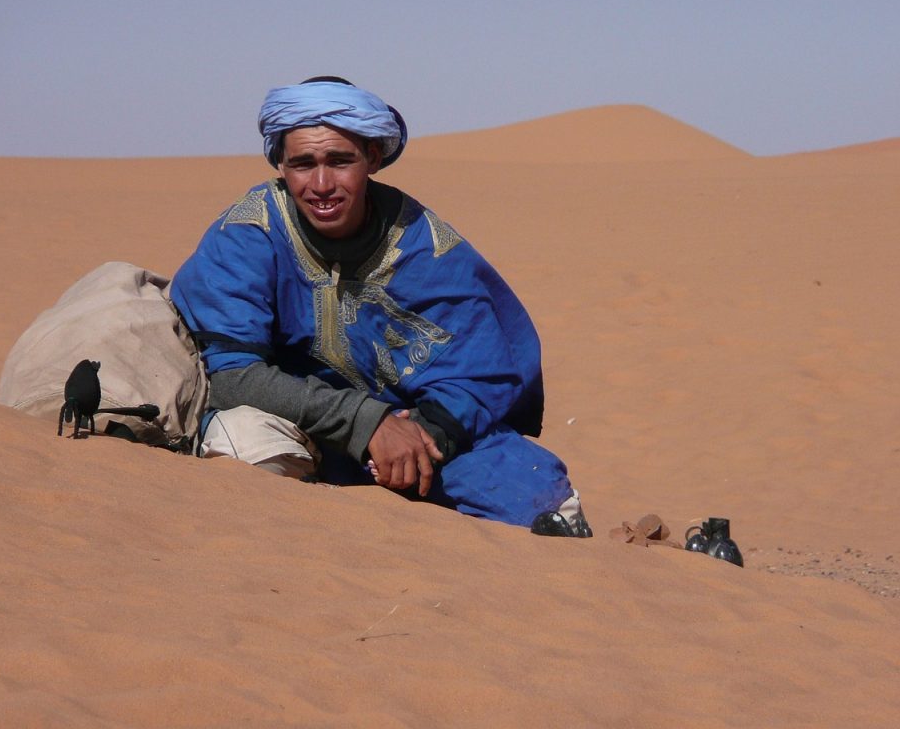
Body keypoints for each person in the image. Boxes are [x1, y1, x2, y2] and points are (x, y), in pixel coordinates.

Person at [170, 76, 590, 537]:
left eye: (340, 161)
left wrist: (421, 439)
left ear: (372, 158)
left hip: (409, 433)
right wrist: (366, 423)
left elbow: (480, 372)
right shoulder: (249, 232)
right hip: (295, 425)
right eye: (303, 164)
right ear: (280, 164)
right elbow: (231, 376)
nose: (322, 184)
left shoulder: (425, 245)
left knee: (537, 497)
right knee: (247, 448)